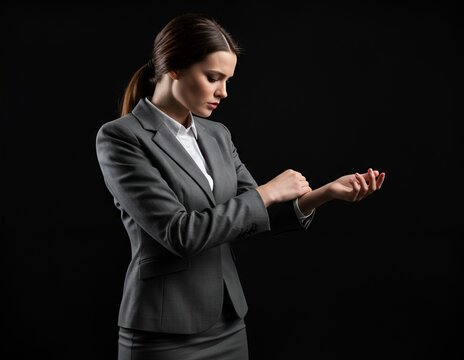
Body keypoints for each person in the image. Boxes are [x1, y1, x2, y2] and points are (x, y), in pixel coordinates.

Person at [95, 13, 385, 360]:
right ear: (173, 67)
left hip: (229, 324)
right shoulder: (120, 137)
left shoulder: (217, 135)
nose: (224, 92)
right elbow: (179, 233)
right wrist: (266, 192)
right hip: (163, 332)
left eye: (228, 80)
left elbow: (252, 216)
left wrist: (324, 194)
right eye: (213, 78)